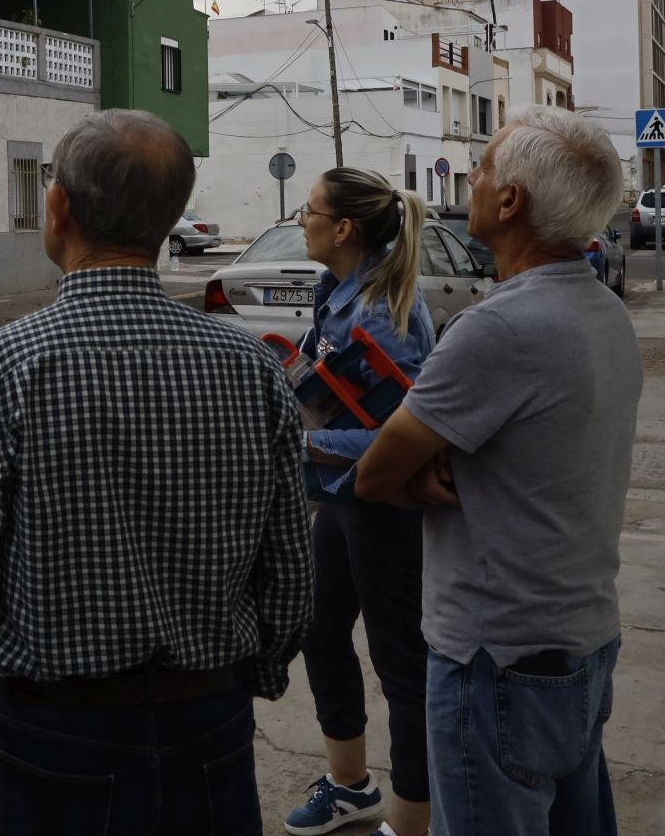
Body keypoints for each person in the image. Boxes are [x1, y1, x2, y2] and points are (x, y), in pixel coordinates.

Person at [0, 108, 313, 836]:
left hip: (56, 733)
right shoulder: (254, 370)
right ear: (170, 217)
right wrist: (243, 674)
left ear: (57, 207)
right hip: (209, 724)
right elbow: (289, 579)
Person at [358, 107, 640, 836]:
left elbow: (377, 474)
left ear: (510, 201)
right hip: (581, 643)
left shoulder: (499, 328)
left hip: (496, 662)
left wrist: (421, 477)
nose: (472, 180)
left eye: (482, 167)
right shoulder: (604, 310)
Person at [285, 170, 435, 836]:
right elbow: (324, 377)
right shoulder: (336, 293)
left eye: (308, 210)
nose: (301, 220)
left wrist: (305, 444)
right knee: (318, 630)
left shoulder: (381, 313)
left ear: (343, 228)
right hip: (340, 501)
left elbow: (404, 437)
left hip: (382, 506)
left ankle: (412, 821)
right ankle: (351, 788)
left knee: (401, 661)